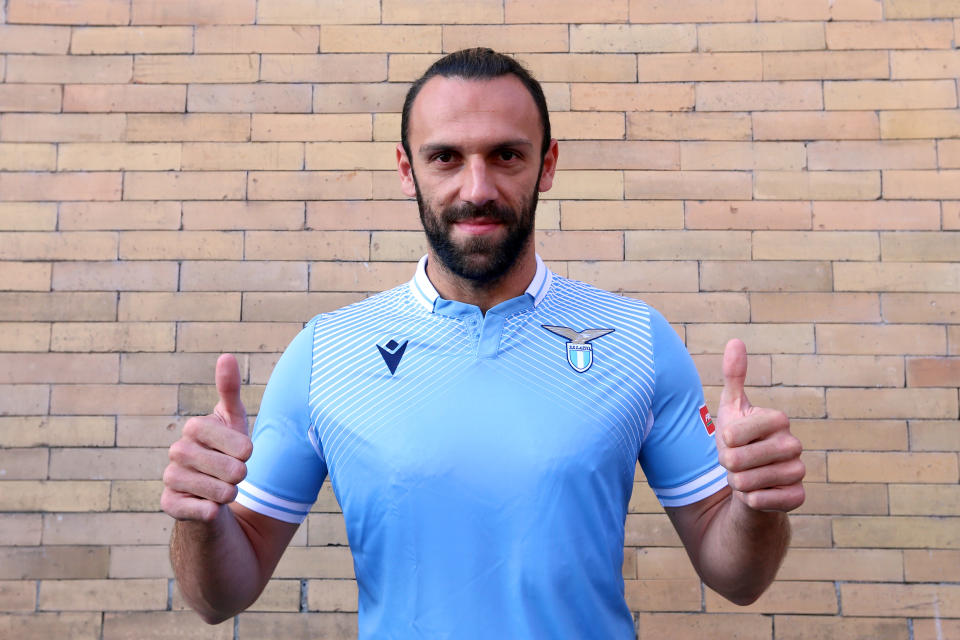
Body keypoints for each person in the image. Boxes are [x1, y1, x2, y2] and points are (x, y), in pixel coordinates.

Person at [161, 48, 805, 638]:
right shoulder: (326, 353)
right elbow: (220, 596)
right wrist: (201, 517)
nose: (477, 188)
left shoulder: (637, 341)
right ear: (407, 171)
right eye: (446, 157)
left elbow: (738, 578)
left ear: (546, 164)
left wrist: (756, 505)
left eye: (506, 155)